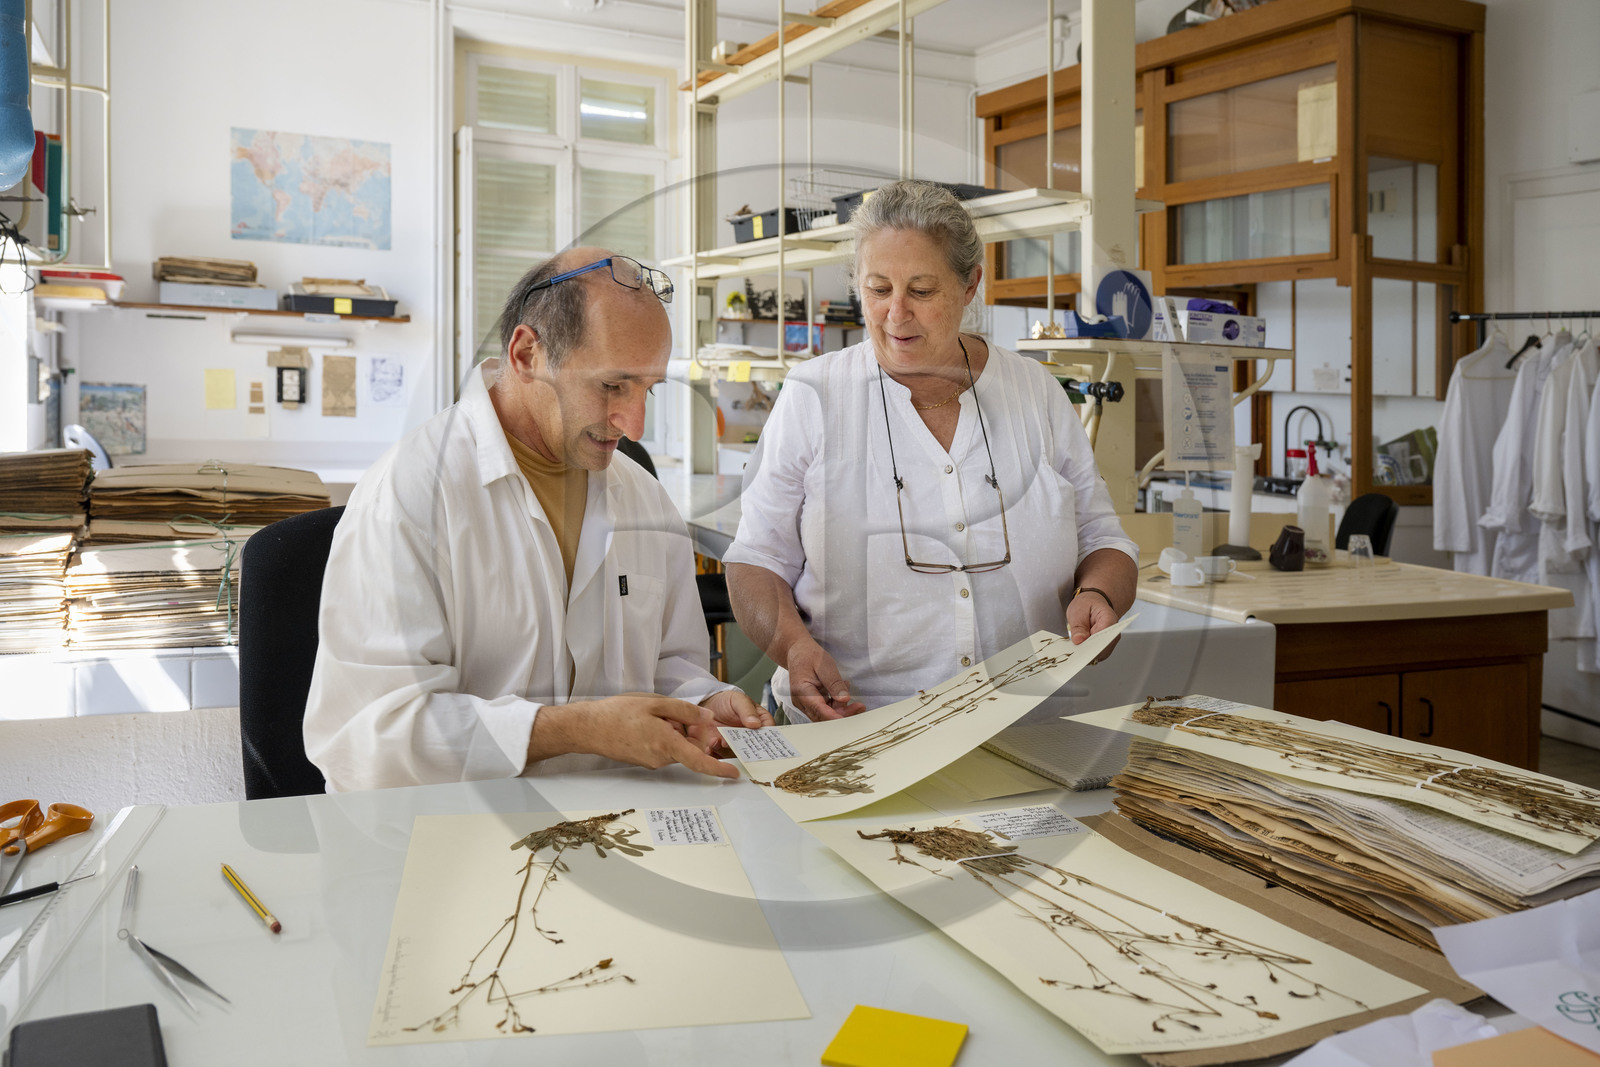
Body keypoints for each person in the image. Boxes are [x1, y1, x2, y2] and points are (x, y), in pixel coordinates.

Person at [304, 247, 770, 792]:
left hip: (619, 825)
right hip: (453, 836)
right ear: (526, 354)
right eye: (612, 385)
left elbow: (670, 662)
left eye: (648, 389)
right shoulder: (410, 495)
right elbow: (371, 736)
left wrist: (702, 702)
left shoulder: (642, 497)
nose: (636, 425)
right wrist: (575, 730)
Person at [725, 180, 1139, 722]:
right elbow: (756, 559)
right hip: (853, 721)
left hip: (1022, 721)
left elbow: (1103, 538)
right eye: (878, 289)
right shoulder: (813, 396)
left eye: (921, 291)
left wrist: (1101, 596)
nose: (896, 314)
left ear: (970, 285)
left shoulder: (1035, 392)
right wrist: (795, 649)